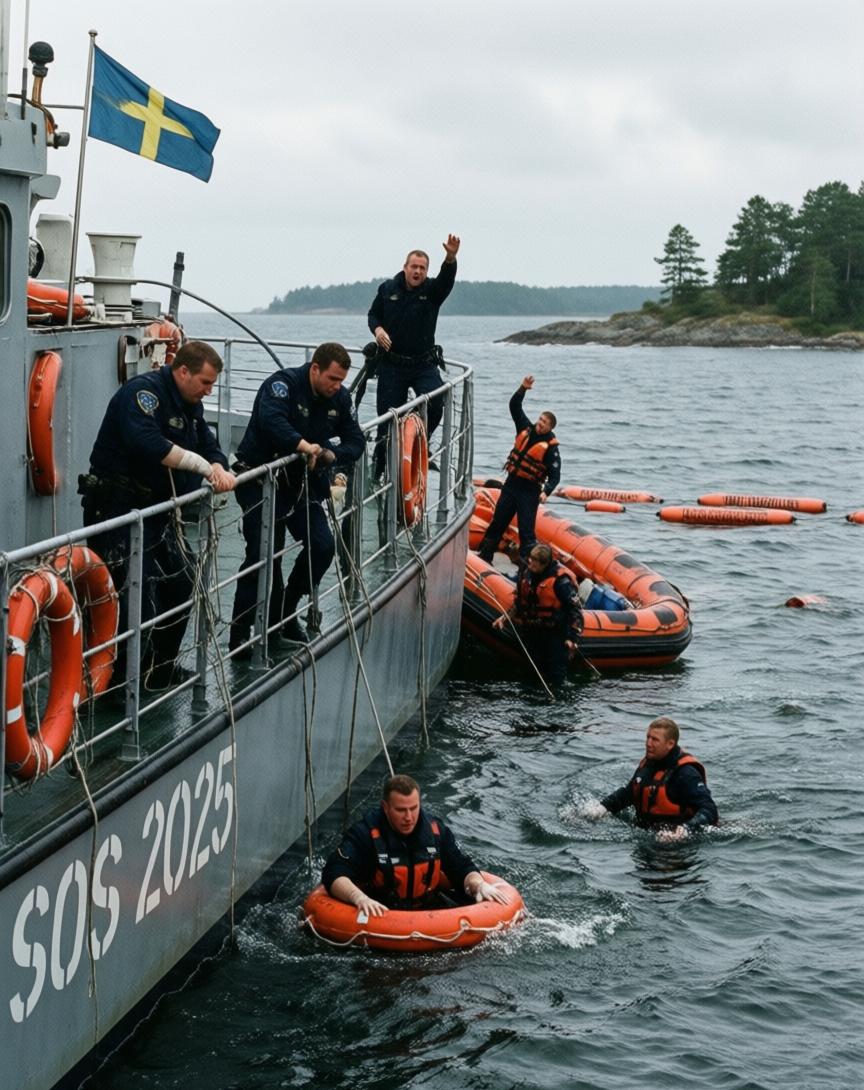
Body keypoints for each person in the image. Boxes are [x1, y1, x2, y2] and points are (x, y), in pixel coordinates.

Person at [80, 340, 236, 691]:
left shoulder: (189, 403)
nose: (209, 392)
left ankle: (159, 668)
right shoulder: (144, 393)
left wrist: (217, 464)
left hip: (157, 512)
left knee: (183, 582)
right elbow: (144, 441)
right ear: (183, 372)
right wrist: (201, 466)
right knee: (135, 597)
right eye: (206, 383)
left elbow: (208, 444)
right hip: (119, 507)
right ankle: (119, 685)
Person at [229, 342, 364, 651]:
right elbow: (271, 422)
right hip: (262, 478)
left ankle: (288, 609)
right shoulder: (282, 385)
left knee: (322, 545)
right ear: (315, 368)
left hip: (303, 483)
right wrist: (303, 446)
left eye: (341, 380)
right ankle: (241, 634)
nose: (337, 386)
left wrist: (332, 454)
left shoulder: (340, 398)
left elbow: (356, 440)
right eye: (332, 378)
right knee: (264, 554)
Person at [322, 773, 510, 916]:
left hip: (428, 909)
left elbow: (461, 867)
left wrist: (479, 885)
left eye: (414, 808)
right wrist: (359, 898)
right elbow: (334, 873)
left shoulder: (436, 831)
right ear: (385, 808)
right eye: (401, 810)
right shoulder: (365, 834)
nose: (409, 817)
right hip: (379, 912)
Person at [368, 235, 460, 473]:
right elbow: (373, 315)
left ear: (426, 271)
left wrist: (450, 258)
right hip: (392, 364)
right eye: (414, 267)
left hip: (423, 364)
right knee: (386, 419)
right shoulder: (388, 289)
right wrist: (377, 330)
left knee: (436, 401)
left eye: (422, 268)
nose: (417, 271)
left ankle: (418, 441)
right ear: (405, 268)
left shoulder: (432, 291)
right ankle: (378, 471)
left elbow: (446, 281)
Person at [475, 375, 561, 562]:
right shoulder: (525, 428)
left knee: (526, 532)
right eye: (540, 419)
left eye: (544, 423)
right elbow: (514, 406)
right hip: (512, 484)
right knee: (498, 522)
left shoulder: (551, 449)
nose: (540, 423)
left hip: (529, 492)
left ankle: (525, 570)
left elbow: (555, 476)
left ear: (549, 427)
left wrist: (546, 492)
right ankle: (485, 555)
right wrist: (523, 388)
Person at [591, 716, 719, 839]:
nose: (648, 743)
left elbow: (709, 809)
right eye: (648, 737)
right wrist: (602, 807)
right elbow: (629, 793)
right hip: (644, 834)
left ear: (670, 744)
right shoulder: (647, 764)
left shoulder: (686, 773)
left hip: (675, 844)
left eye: (655, 740)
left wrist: (685, 829)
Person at [493, 543, 583, 687]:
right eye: (530, 563)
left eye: (535, 566)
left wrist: (572, 638)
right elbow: (519, 602)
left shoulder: (561, 582)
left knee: (556, 676)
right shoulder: (527, 573)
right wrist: (504, 618)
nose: (531, 568)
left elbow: (575, 610)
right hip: (532, 630)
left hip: (554, 632)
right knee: (531, 673)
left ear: (545, 564)